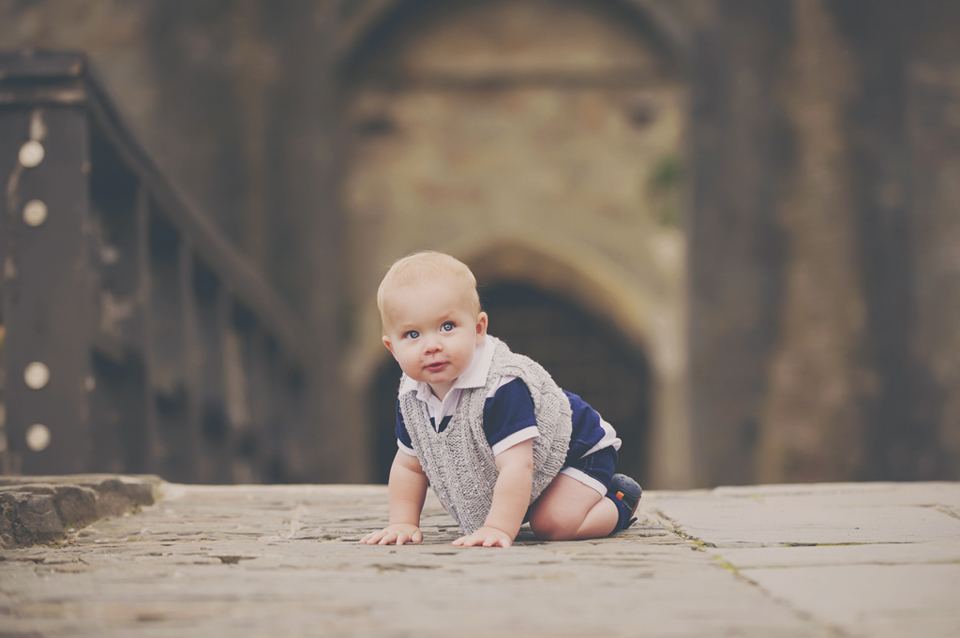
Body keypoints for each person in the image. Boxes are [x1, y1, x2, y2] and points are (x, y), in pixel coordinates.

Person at [360, 251, 641, 548]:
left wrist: (497, 528)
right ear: (392, 348)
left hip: (577, 452)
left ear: (478, 329)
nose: (431, 345)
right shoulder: (412, 396)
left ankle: (620, 501)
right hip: (523, 469)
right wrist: (403, 523)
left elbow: (517, 466)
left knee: (552, 523)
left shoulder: (501, 386)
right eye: (412, 334)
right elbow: (409, 466)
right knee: (459, 491)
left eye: (447, 327)